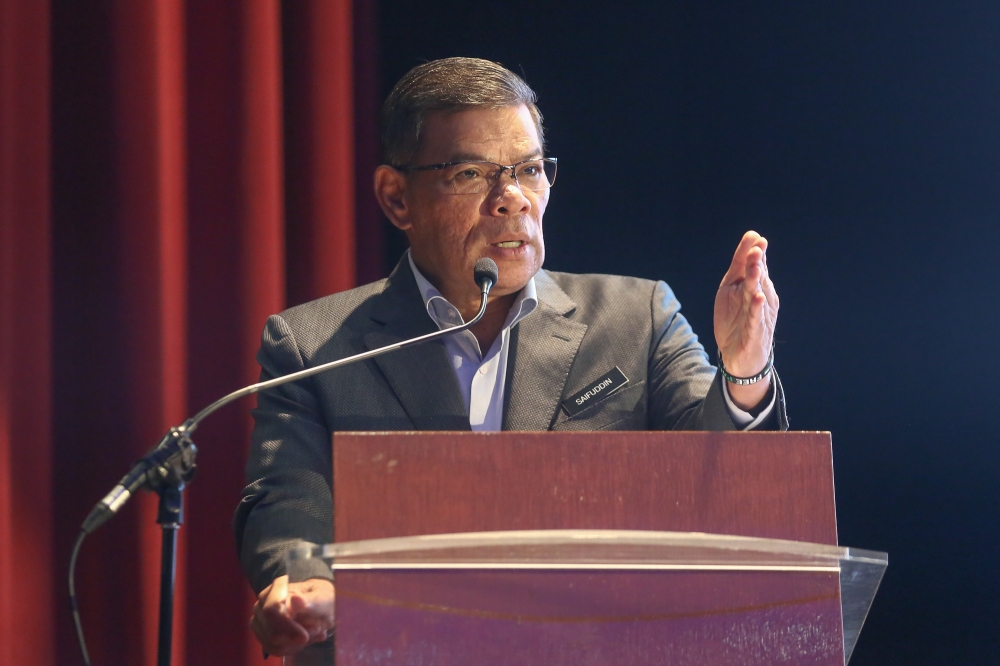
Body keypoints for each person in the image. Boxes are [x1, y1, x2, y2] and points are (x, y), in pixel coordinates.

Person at [237, 57, 785, 656]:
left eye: (529, 170)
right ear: (397, 199)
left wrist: (745, 369)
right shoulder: (314, 345)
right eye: (471, 174)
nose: (512, 199)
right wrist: (307, 581)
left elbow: (722, 481)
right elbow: (290, 499)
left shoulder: (637, 318)